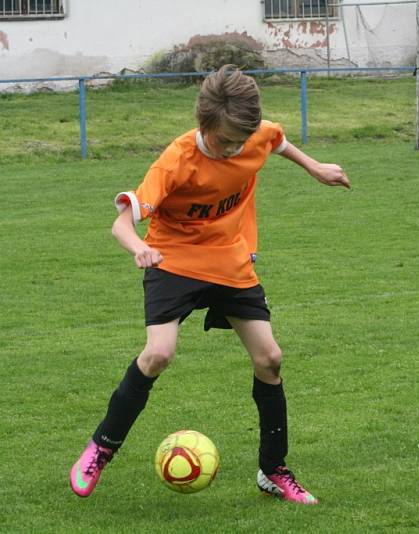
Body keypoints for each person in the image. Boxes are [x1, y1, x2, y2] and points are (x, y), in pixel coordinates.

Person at [69, 65, 351, 502]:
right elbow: (122, 222)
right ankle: (101, 448)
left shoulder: (254, 134)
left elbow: (276, 140)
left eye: (240, 141)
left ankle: (273, 469)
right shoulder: (177, 160)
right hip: (173, 259)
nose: (233, 149)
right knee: (158, 353)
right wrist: (138, 248)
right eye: (224, 141)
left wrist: (314, 167)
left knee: (270, 359)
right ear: (204, 125)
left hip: (229, 260)